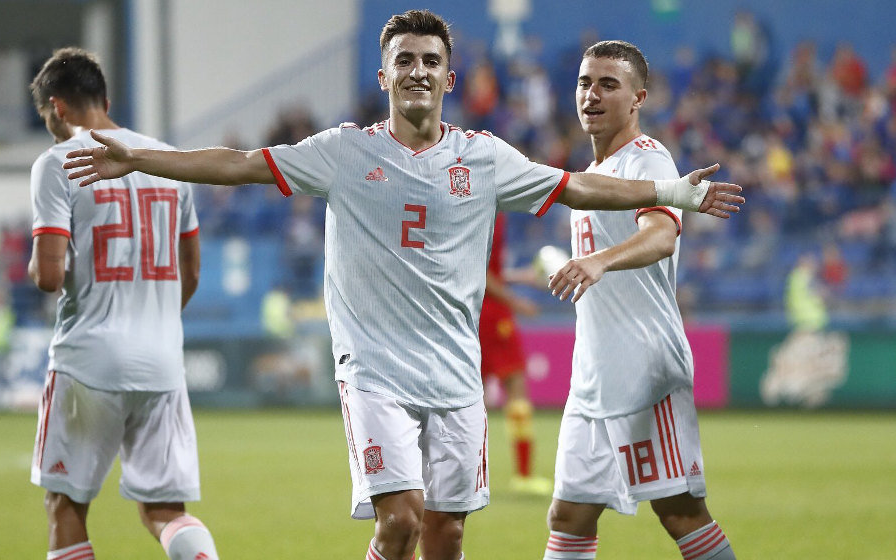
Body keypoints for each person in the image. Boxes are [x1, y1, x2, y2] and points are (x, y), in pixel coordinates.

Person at [62, 12, 743, 560]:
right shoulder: (343, 150)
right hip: (376, 372)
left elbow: (576, 189)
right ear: (383, 72)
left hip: (456, 374)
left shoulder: (482, 157)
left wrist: (670, 191)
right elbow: (237, 164)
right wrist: (141, 156)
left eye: (430, 61)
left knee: (446, 536)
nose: (417, 70)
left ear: (448, 78)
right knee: (402, 520)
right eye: (405, 60)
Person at [542, 41, 736, 559]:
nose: (592, 94)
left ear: (637, 98)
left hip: (644, 366)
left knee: (679, 512)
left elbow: (661, 235)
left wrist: (600, 260)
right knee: (569, 516)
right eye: (585, 82)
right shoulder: (593, 172)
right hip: (594, 376)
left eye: (609, 84)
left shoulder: (645, 158)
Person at [26, 47, 219, 560]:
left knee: (65, 506)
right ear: (105, 100)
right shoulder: (166, 160)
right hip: (161, 361)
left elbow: (48, 277)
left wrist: (35, 263)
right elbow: (193, 269)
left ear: (58, 108)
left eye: (46, 116)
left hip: (87, 361)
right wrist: (153, 321)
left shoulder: (56, 163)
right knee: (166, 512)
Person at [479, 212, 550, 495]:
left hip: (472, 310)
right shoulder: (490, 215)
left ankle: (466, 473)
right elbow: (478, 271)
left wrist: (518, 276)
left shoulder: (476, 205)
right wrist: (516, 302)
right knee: (516, 388)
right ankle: (523, 475)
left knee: (472, 395)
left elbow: (482, 268)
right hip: (492, 313)